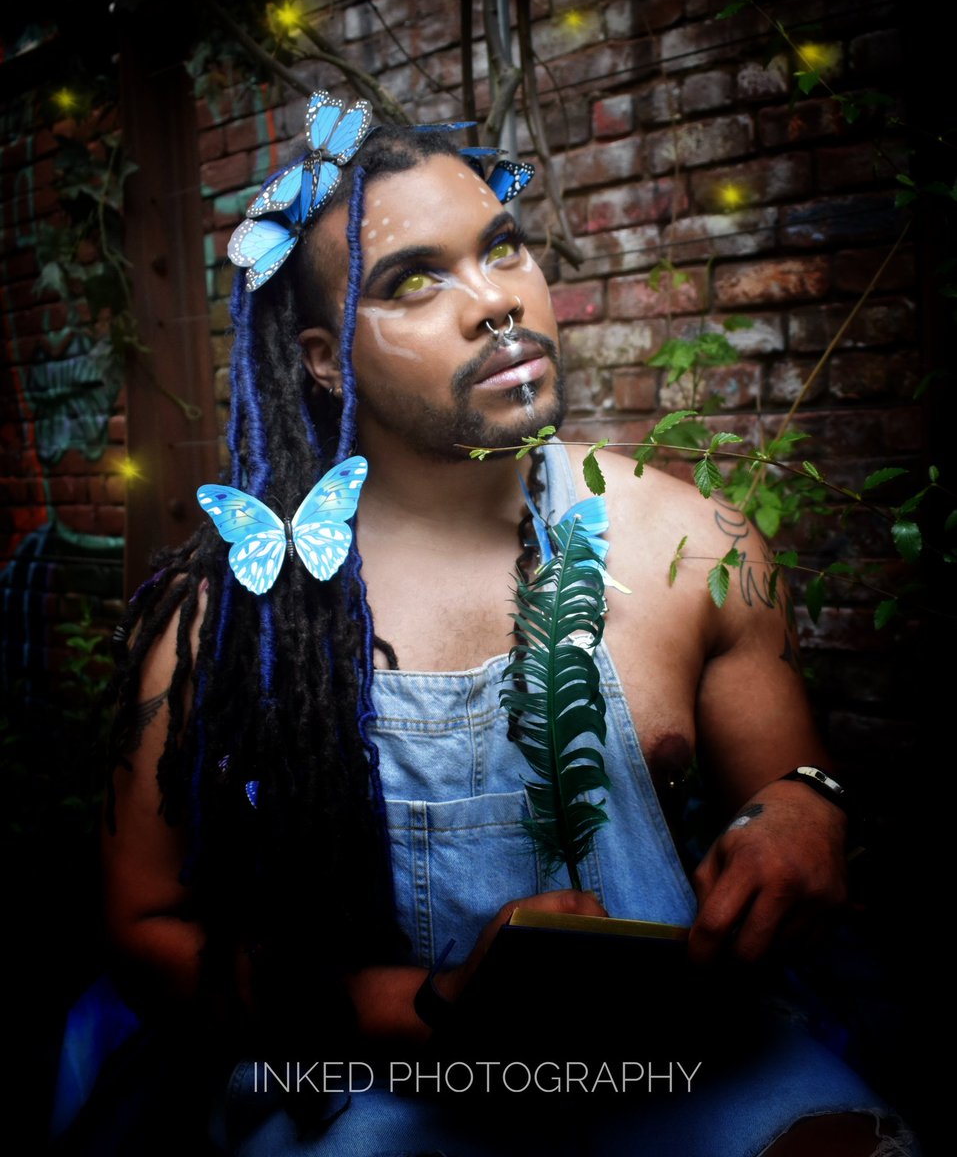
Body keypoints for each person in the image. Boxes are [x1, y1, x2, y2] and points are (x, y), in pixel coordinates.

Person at [98, 93, 917, 1156]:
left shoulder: (691, 544)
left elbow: (794, 782)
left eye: (501, 247)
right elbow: (143, 930)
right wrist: (430, 1008)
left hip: (683, 1068)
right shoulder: (224, 622)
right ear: (325, 360)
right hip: (370, 1088)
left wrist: (805, 815)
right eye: (413, 280)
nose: (493, 301)